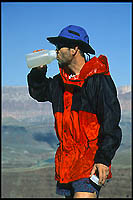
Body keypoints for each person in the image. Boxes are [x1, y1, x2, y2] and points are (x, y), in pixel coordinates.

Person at [27, 25, 122, 198]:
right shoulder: (59, 83)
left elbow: (111, 122)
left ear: (74, 49)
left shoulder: (98, 79)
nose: (55, 51)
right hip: (67, 161)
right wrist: (38, 72)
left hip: (90, 158)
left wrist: (103, 159)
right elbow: (38, 92)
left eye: (59, 46)